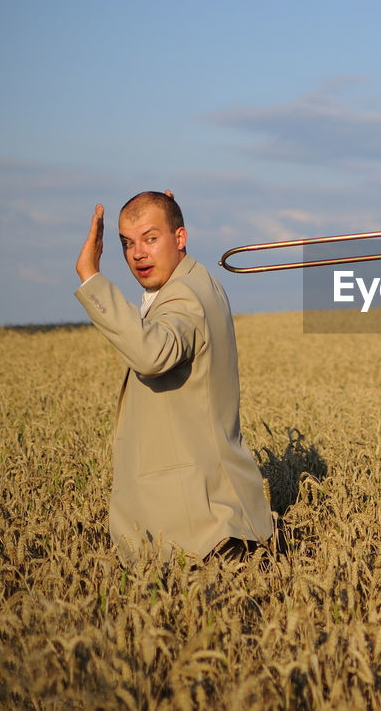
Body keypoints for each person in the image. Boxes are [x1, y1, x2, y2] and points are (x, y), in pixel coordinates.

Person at [75, 190, 274, 564]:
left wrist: (91, 279)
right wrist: (163, 214)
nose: (138, 254)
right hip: (209, 522)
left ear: (180, 238)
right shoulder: (195, 281)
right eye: (127, 243)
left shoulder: (185, 297)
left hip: (200, 532)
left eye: (151, 238)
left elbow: (152, 354)